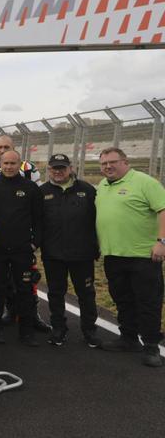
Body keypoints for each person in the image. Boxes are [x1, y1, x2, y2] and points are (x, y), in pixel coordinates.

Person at [95, 147, 165, 367]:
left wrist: (161, 242)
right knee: (122, 299)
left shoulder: (145, 182)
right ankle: (128, 338)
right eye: (104, 164)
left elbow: (163, 209)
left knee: (148, 301)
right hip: (114, 254)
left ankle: (152, 346)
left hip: (143, 256)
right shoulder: (103, 186)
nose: (108, 167)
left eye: (112, 162)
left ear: (125, 162)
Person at [38, 154, 101, 348]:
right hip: (53, 254)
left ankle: (89, 330)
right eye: (54, 168)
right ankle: (59, 329)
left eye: (62, 168)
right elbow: (38, 223)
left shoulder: (87, 190)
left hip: (82, 254)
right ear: (48, 169)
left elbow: (98, 220)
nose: (58, 171)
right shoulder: (42, 192)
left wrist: (96, 245)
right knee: (56, 293)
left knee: (87, 293)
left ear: (70, 168)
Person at [0, 150, 43, 346]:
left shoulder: (31, 188)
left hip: (22, 249)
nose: (9, 167)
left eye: (13, 163)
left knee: (25, 291)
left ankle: (26, 332)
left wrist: (35, 243)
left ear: (20, 164)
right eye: (5, 163)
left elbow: (40, 219)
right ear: (0, 163)